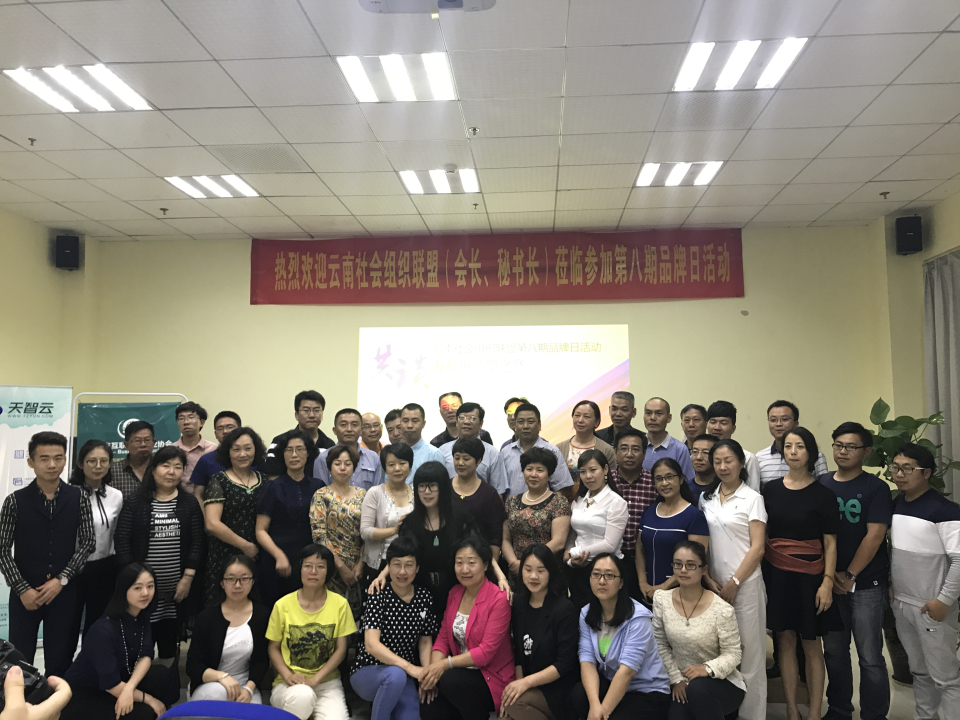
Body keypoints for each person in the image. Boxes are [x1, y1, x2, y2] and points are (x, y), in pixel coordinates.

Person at [0, 431, 94, 677]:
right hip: (24, 595)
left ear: (65, 460)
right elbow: (2, 549)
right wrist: (22, 589)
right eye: (44, 458)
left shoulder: (79, 497)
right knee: (19, 663)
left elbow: (88, 543)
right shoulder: (14, 501)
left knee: (60, 662)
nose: (52, 464)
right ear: (31, 462)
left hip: (63, 594)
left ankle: (55, 701)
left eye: (58, 458)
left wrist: (61, 580)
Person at [762, 427, 840, 720]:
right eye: (788, 446)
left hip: (812, 579)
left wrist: (827, 583)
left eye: (800, 446)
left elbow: (830, 543)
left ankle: (815, 711)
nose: (793, 452)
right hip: (778, 576)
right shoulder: (770, 490)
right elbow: (764, 535)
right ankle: (792, 709)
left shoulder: (824, 494)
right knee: (784, 643)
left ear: (811, 452)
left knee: (812, 645)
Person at [818, 422, 892, 720]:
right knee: (835, 653)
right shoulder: (822, 483)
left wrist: (849, 575)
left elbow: (875, 536)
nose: (843, 451)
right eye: (838, 445)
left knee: (870, 656)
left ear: (866, 451)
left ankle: (874, 714)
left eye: (851, 446)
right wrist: (829, 576)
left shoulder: (876, 487)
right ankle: (839, 709)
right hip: (829, 583)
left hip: (865, 584)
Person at [889, 443, 960, 720]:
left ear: (926, 473)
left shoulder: (945, 511)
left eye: (907, 469)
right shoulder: (896, 505)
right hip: (902, 603)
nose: (899, 474)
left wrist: (944, 601)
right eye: (896, 468)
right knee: (919, 672)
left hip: (932, 607)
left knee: (945, 677)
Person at [115, 445, 204, 660]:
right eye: (166, 466)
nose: (171, 472)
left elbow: (197, 542)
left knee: (168, 647)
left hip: (175, 591)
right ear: (154, 469)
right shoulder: (135, 502)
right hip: (142, 591)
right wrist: (136, 582)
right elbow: (122, 542)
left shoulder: (189, 503)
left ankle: (167, 679)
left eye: (178, 467)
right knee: (139, 647)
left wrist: (187, 578)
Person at [699, 439, 767, 720]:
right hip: (713, 587)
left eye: (729, 461)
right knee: (718, 653)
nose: (723, 466)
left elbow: (758, 547)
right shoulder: (706, 498)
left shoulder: (752, 498)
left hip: (745, 586)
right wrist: (706, 577)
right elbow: (702, 543)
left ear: (741, 463)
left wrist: (735, 583)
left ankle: (752, 715)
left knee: (750, 655)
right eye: (717, 461)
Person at [62, 563, 179, 720]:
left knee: (162, 675)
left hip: (120, 681)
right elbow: (111, 684)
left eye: (150, 586)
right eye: (137, 588)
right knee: (144, 712)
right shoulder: (102, 629)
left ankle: (164, 713)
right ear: (124, 590)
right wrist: (150, 700)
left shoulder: (141, 616)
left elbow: (146, 655)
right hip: (87, 694)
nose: (145, 593)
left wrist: (129, 688)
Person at [419, 536, 514, 720]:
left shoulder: (498, 599)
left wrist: (444, 665)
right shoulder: (455, 592)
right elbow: (443, 638)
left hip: (490, 677)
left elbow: (486, 652)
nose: (464, 569)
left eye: (471, 563)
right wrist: (432, 672)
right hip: (460, 675)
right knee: (429, 707)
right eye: (459, 563)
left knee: (449, 680)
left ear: (485, 565)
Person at [369, 462, 480, 617]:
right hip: (420, 592)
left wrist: (500, 576)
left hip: (456, 589)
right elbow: (402, 553)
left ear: (442, 487)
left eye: (432, 486)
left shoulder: (460, 518)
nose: (427, 492)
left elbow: (478, 550)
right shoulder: (410, 522)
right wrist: (382, 576)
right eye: (421, 486)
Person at [651, 542, 745, 720]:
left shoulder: (722, 609)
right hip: (683, 683)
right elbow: (660, 644)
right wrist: (676, 679)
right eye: (678, 564)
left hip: (721, 682)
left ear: (703, 570)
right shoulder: (662, 600)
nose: (683, 570)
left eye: (691, 565)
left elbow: (733, 654)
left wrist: (707, 669)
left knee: (698, 689)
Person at [573, 553, 671, 720]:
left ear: (621, 583)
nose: (602, 581)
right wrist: (595, 705)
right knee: (579, 695)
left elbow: (626, 672)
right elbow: (587, 660)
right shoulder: (586, 613)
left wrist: (602, 713)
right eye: (596, 574)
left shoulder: (638, 618)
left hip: (647, 691)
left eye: (609, 575)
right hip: (613, 683)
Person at [350, 537, 437, 720]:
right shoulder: (378, 594)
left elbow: (425, 641)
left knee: (411, 715)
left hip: (404, 675)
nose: (402, 571)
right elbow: (371, 645)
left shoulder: (424, 597)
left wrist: (426, 675)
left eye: (409, 565)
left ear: (417, 568)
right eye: (396, 564)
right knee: (395, 675)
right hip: (368, 670)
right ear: (388, 566)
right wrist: (411, 669)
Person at [267, 544, 357, 720]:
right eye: (307, 566)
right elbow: (273, 648)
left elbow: (341, 649)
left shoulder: (340, 604)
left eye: (320, 567)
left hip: (327, 683)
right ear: (299, 569)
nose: (313, 572)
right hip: (289, 684)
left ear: (328, 572)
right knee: (303, 696)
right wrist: (288, 675)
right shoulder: (282, 605)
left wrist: (316, 679)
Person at [502, 544, 579, 720]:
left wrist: (525, 684)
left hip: (557, 689)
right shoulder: (519, 603)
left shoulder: (564, 608)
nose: (533, 576)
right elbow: (519, 653)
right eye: (528, 569)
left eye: (540, 570)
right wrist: (519, 685)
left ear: (550, 572)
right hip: (531, 686)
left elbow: (564, 663)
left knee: (513, 703)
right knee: (507, 712)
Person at [187, 555, 270, 703]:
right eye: (231, 579)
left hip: (245, 686)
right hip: (210, 684)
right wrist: (221, 677)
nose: (237, 585)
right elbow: (193, 665)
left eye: (244, 579)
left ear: (253, 581)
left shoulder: (262, 615)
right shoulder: (207, 617)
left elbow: (261, 662)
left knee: (251, 712)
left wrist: (249, 689)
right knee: (218, 693)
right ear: (222, 582)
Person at [256, 429, 324, 605]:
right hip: (277, 562)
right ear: (282, 455)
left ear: (308, 453)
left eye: (300, 449)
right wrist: (279, 555)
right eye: (289, 450)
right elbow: (260, 530)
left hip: (310, 562)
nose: (294, 454)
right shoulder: (272, 487)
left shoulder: (319, 486)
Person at [203, 426, 266, 606]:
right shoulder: (218, 480)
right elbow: (212, 524)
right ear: (227, 452)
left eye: (248, 448)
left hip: (259, 555)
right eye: (236, 449)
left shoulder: (265, 480)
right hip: (225, 554)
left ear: (256, 450)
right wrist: (245, 546)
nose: (242, 454)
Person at [69, 439, 123, 638]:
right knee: (70, 621)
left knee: (98, 622)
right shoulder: (68, 494)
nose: (98, 466)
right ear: (81, 463)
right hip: (74, 567)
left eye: (104, 461)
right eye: (92, 461)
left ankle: (92, 657)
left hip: (105, 567)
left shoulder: (116, 496)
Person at [565, 450, 629, 611]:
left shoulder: (616, 502)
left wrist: (575, 553)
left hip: (605, 570)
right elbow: (573, 534)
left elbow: (609, 545)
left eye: (593, 470)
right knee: (578, 614)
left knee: (601, 615)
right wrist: (569, 557)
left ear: (605, 469)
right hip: (578, 569)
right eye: (583, 472)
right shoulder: (579, 501)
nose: (588, 476)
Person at [637, 459, 709, 601]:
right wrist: (642, 582)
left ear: (681, 479)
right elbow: (639, 549)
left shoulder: (694, 516)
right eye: (659, 479)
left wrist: (663, 587)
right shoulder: (650, 511)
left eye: (669, 477)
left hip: (680, 593)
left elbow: (696, 561)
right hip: (647, 591)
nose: (664, 483)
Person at [449, 437, 511, 593]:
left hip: (478, 565)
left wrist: (488, 567)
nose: (460, 463)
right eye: (457, 458)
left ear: (478, 461)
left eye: (466, 459)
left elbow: (495, 535)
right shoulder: (444, 488)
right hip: (449, 563)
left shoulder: (489, 494)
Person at [502, 447, 572, 579]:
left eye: (540, 470)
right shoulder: (511, 502)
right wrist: (513, 562)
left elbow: (559, 542)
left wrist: (527, 563)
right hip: (516, 570)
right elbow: (505, 539)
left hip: (545, 570)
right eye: (529, 469)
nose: (533, 474)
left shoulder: (559, 502)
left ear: (549, 475)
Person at [310, 445, 367, 605]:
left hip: (358, 566)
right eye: (337, 463)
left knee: (355, 612)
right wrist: (340, 566)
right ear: (330, 467)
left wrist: (361, 563)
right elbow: (319, 535)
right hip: (330, 564)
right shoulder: (321, 495)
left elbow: (368, 531)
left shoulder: (363, 494)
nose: (343, 468)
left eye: (348, 464)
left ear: (353, 467)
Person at [607, 428, 656, 601]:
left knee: (643, 606)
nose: (629, 454)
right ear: (615, 452)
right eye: (624, 448)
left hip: (644, 561)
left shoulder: (654, 483)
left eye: (635, 449)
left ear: (644, 454)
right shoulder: (605, 482)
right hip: (610, 558)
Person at [360, 443, 416, 585]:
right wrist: (395, 530)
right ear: (385, 468)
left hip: (410, 563)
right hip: (379, 563)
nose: (397, 468)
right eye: (391, 464)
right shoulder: (375, 493)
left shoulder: (416, 493)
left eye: (402, 463)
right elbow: (365, 531)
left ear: (410, 465)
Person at [501, 403, 574, 498]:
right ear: (515, 425)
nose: (525, 426)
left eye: (530, 422)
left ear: (539, 425)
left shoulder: (553, 451)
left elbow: (562, 488)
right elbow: (500, 488)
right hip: (511, 507)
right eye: (521, 422)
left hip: (545, 507)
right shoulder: (505, 452)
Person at [263, 390, 335, 478]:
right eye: (306, 410)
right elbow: (272, 477)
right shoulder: (279, 441)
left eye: (316, 410)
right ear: (296, 415)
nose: (312, 415)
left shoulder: (330, 445)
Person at [440, 403, 509, 493]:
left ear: (481, 423)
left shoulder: (493, 454)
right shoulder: (443, 450)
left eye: (472, 418)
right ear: (456, 421)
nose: (466, 422)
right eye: (462, 418)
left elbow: (498, 491)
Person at [757, 400, 829, 487]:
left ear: (796, 423)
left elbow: (823, 486)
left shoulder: (815, 454)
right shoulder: (759, 457)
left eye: (785, 419)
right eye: (773, 420)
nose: (778, 424)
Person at [314, 409, 385, 490]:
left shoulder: (373, 457)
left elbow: (378, 492)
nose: (349, 429)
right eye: (343, 425)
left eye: (354, 425)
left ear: (361, 430)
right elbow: (321, 492)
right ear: (335, 430)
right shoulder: (323, 458)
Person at [704, 401, 761, 490]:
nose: (717, 427)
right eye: (713, 422)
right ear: (706, 425)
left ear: (733, 428)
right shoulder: (698, 456)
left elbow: (754, 491)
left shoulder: (748, 458)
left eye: (723, 423)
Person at [188, 410, 240, 500]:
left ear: (240, 430)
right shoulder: (206, 460)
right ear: (215, 434)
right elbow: (198, 495)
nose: (225, 431)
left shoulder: (252, 457)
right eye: (220, 428)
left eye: (230, 427)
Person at [641, 399, 695, 484]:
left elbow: (687, 482)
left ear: (669, 418)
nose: (652, 418)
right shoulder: (636, 446)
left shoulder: (680, 449)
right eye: (648, 413)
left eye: (659, 413)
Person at [556, 400, 617, 471]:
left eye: (586, 416)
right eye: (577, 415)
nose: (580, 420)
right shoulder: (559, 448)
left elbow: (612, 475)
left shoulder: (606, 449)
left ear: (596, 422)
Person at [173, 401, 218, 495]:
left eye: (191, 417)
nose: (186, 422)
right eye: (181, 418)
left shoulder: (214, 450)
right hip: (176, 499)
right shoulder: (170, 450)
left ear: (202, 422)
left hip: (206, 499)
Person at [111, 420, 155, 501]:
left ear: (154, 442)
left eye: (147, 440)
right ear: (126, 445)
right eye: (137, 441)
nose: (143, 444)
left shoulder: (162, 468)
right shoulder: (113, 471)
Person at [399, 403, 445, 478]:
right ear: (400, 423)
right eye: (405, 421)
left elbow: (440, 482)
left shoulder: (434, 454)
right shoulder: (394, 454)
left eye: (415, 421)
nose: (409, 425)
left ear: (423, 424)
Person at [687, 435, 717, 507]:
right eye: (695, 452)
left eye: (706, 452)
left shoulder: (723, 489)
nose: (699, 457)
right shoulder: (684, 488)